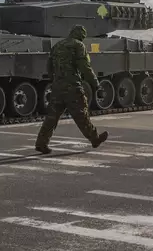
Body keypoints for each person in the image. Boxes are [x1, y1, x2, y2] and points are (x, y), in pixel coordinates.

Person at [36, 24, 109, 154]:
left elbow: (49, 66)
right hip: (72, 86)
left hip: (57, 87)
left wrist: (54, 80)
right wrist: (96, 83)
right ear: (81, 36)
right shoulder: (78, 45)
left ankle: (41, 143)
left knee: (52, 117)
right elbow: (84, 67)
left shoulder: (58, 45)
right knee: (81, 114)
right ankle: (94, 139)